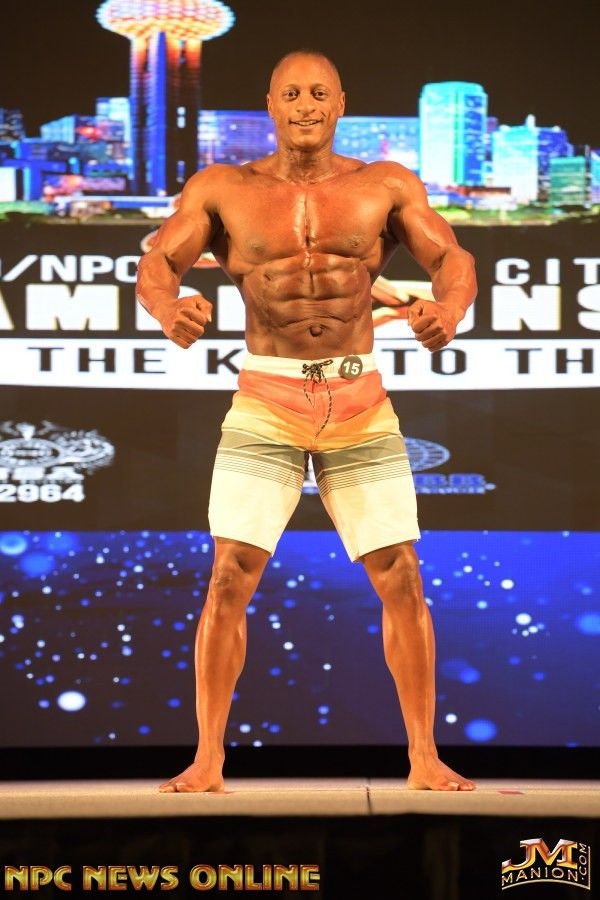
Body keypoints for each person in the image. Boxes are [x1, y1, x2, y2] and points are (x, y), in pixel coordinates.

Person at [137, 50, 477, 792]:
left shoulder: (384, 185)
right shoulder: (223, 188)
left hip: (358, 401)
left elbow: (451, 255)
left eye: (318, 92)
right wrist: (167, 307)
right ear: (271, 104)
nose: (305, 105)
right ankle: (208, 759)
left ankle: (424, 757)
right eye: (291, 93)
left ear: (339, 103)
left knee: (401, 575)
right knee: (230, 574)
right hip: (268, 398)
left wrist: (449, 309)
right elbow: (158, 262)